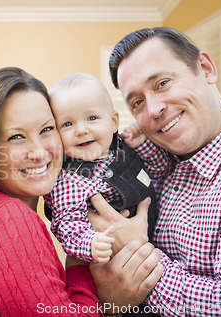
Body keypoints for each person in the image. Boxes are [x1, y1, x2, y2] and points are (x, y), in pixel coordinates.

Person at [0, 67, 163, 316]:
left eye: (46, 129)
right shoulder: (9, 220)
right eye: (16, 137)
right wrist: (101, 294)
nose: (40, 152)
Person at [89, 27, 221, 316]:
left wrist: (136, 260)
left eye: (162, 83)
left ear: (206, 69)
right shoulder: (152, 159)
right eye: (137, 102)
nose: (154, 109)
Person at [43, 73, 158, 264]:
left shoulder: (123, 147)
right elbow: (67, 225)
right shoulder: (68, 179)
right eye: (67, 124)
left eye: (92, 118)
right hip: (115, 260)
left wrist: (142, 144)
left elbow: (158, 172)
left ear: (114, 122)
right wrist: (90, 243)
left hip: (159, 243)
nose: (81, 130)